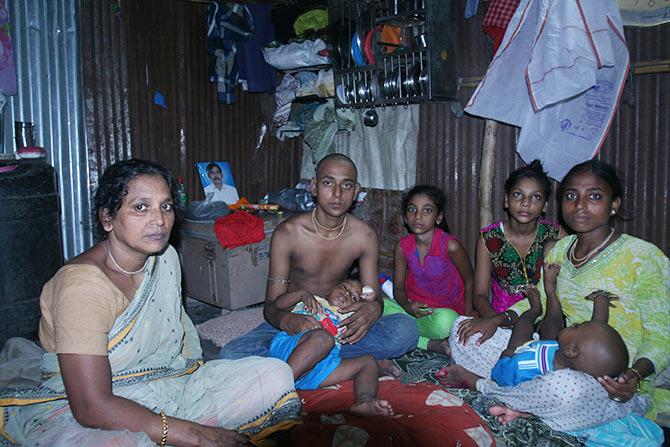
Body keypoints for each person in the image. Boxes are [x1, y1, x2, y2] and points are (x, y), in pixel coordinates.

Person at [0, 159, 301, 446]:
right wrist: (196, 435)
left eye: (166, 206)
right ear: (108, 218)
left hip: (168, 383)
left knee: (274, 375)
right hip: (99, 404)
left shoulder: (166, 257)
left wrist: (191, 396)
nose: (159, 220)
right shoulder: (81, 287)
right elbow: (90, 407)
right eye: (140, 207)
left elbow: (179, 343)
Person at [445, 160, 670, 433]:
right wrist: (496, 319)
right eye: (571, 196)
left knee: (567, 392)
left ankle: (484, 385)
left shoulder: (643, 257)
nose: (580, 205)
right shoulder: (559, 250)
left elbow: (661, 334)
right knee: (463, 331)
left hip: (611, 380)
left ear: (615, 204)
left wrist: (634, 375)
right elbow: (536, 297)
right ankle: (530, 401)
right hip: (558, 355)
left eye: (595, 196)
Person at [219, 153, 418, 362]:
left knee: (406, 331)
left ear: (356, 192)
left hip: (339, 323)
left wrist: (373, 309)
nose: (337, 194)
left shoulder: (364, 236)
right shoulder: (288, 233)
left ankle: (307, 361)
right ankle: (324, 361)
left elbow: (371, 293)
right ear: (314, 187)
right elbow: (271, 306)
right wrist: (287, 319)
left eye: (347, 186)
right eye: (328, 183)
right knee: (231, 355)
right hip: (297, 321)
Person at [456, 159, 565, 348]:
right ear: (506, 200)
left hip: (546, 321)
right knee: (462, 334)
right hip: (502, 319)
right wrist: (495, 321)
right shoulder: (489, 238)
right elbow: (480, 294)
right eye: (518, 195)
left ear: (545, 205)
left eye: (536, 197)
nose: (525, 203)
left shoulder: (556, 236)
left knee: (564, 343)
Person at [441, 285, 629, 388]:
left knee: (462, 327)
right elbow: (599, 324)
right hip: (544, 349)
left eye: (576, 326)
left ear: (572, 350)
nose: (573, 324)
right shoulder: (578, 358)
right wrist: (601, 299)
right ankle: (549, 296)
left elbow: (500, 376)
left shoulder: (530, 365)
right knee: (550, 327)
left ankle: (534, 310)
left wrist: (509, 352)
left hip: (513, 361)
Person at [269, 279, 394, 417]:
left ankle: (364, 401)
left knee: (368, 362)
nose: (346, 294)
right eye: (344, 287)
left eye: (353, 298)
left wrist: (369, 298)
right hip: (293, 348)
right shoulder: (314, 300)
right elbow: (277, 304)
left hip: (320, 367)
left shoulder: (351, 317)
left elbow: (370, 304)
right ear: (328, 291)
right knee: (323, 339)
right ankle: (278, 389)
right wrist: (301, 294)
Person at [383, 185, 474, 353]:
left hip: (440, 314)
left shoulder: (450, 246)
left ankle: (408, 334)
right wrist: (407, 306)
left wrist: (466, 319)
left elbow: (469, 280)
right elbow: (399, 288)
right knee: (374, 306)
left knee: (447, 323)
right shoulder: (402, 247)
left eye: (427, 211)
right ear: (405, 217)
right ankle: (426, 342)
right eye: (412, 210)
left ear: (438, 218)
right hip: (411, 310)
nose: (418, 216)